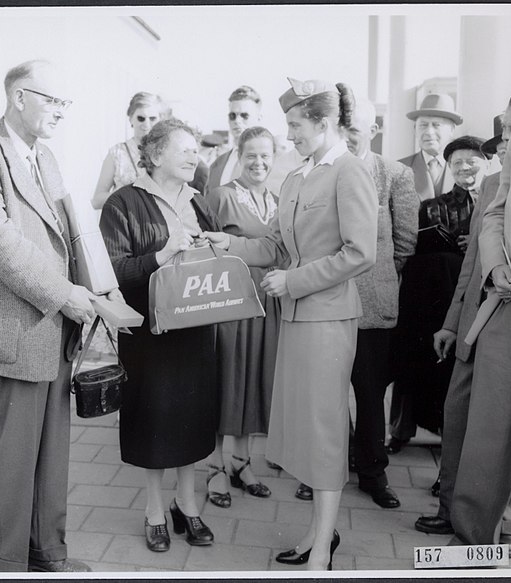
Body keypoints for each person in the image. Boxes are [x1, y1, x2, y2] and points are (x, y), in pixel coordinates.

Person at [204, 78, 377, 570]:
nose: (291, 135)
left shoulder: (348, 172)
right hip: (297, 320)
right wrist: (226, 244)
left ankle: (322, 546)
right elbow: (275, 246)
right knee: (303, 431)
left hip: (326, 319)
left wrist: (295, 281)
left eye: (297, 125)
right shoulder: (299, 177)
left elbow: (361, 253)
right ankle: (316, 533)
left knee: (322, 432)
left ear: (324, 123)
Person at [0, 60, 108, 573]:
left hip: (50, 328)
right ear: (19, 97)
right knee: (11, 458)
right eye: (52, 101)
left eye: (65, 103)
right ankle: (6, 563)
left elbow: (70, 236)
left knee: (51, 452)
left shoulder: (47, 158)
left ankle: (47, 552)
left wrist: (97, 296)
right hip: (9, 332)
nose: (61, 111)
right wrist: (65, 294)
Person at [100, 119, 219, 553]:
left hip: (197, 328)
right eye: (184, 149)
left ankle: (187, 505)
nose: (194, 156)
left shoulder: (199, 201)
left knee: (191, 418)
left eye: (196, 149)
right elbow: (114, 272)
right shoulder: (124, 202)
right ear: (154, 155)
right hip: (150, 332)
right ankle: (154, 511)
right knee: (153, 422)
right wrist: (163, 253)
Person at [416, 95, 511, 557]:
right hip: (475, 321)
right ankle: (450, 510)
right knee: (457, 416)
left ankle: (506, 525)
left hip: (510, 319)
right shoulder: (499, 185)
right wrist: (450, 324)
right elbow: (470, 266)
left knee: (501, 430)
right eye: (503, 134)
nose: (507, 142)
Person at [449, 95, 511, 548]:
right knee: (492, 417)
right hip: (506, 298)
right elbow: (495, 215)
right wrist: (499, 267)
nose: (509, 140)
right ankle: (480, 529)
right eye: (507, 130)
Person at [388, 135, 490, 465]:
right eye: (457, 162)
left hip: (487, 298)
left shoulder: (499, 201)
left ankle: (460, 445)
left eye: (472, 160)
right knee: (420, 358)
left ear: (486, 162)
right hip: (439, 298)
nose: (465, 167)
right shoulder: (434, 206)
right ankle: (404, 431)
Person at [337, 97, 418, 508]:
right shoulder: (320, 172)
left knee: (369, 395)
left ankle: (372, 472)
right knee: (327, 393)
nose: (348, 135)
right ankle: (327, 468)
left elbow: (405, 241)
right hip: (326, 303)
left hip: (372, 302)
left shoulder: (394, 174)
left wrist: (378, 275)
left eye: (355, 128)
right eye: (342, 126)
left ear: (373, 129)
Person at [204, 126, 281, 509]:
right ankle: (215, 466)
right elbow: (202, 250)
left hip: (267, 303)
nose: (259, 162)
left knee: (254, 379)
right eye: (251, 154)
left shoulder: (280, 200)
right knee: (226, 379)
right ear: (239, 154)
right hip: (230, 305)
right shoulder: (221, 196)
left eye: (266, 155)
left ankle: (242, 462)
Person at [91, 91, 163, 209]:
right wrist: (124, 193)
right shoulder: (117, 153)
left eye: (152, 118)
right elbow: (96, 201)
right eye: (141, 118)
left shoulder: (167, 152)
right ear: (130, 119)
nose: (147, 124)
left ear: (160, 120)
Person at [397, 93, 461, 202]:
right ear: (414, 129)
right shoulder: (399, 169)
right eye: (423, 125)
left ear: (452, 129)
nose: (429, 132)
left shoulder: (465, 168)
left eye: (436, 125)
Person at [207, 85, 263, 192]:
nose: (237, 121)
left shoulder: (273, 162)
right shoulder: (216, 165)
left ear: (259, 118)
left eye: (244, 115)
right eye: (232, 116)